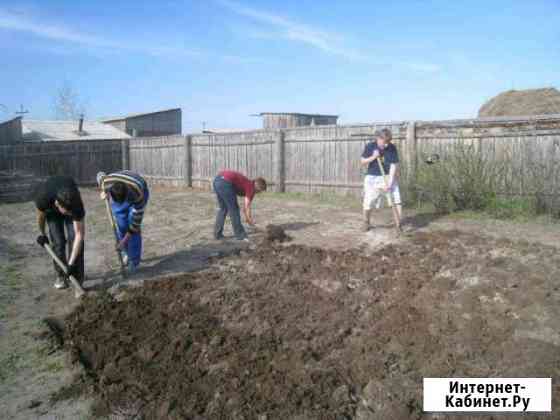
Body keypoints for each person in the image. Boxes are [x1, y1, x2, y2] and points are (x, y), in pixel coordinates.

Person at [34, 176, 86, 289]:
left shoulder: (76, 204)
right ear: (57, 205)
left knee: (74, 240)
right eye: (67, 213)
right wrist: (43, 234)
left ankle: (77, 278)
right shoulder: (43, 198)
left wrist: (71, 264)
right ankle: (61, 275)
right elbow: (41, 217)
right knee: (58, 242)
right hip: (52, 209)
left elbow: (79, 235)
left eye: (70, 213)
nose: (69, 215)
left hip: (67, 199)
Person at [97, 170, 149, 273]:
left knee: (134, 231)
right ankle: (126, 253)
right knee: (121, 226)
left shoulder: (138, 194)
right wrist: (102, 192)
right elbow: (99, 174)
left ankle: (134, 261)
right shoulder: (106, 182)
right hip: (118, 186)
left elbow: (134, 225)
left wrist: (124, 240)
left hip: (138, 189)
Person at [360, 128, 402, 231]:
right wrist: (374, 157)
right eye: (384, 142)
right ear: (378, 139)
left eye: (388, 142)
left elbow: (393, 166)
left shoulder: (391, 148)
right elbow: (363, 161)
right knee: (368, 202)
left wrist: (390, 183)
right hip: (372, 177)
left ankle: (398, 225)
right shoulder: (370, 146)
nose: (386, 144)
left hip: (388, 176)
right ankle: (366, 222)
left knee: (396, 200)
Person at [213, 170, 267, 241]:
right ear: (258, 187)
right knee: (234, 209)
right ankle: (240, 235)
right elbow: (246, 206)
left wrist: (248, 218)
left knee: (223, 208)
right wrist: (249, 220)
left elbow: (246, 207)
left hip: (217, 180)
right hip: (226, 182)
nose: (258, 193)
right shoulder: (251, 187)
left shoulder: (248, 183)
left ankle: (218, 234)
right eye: (260, 191)